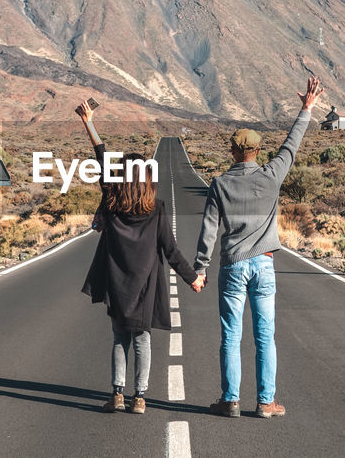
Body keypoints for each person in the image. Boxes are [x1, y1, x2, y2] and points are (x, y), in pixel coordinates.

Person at [194, 76, 324, 418]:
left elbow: (209, 228)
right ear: (257, 151)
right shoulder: (271, 175)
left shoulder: (219, 184)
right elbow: (292, 145)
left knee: (231, 336)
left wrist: (200, 267)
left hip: (232, 266)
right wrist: (306, 109)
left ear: (234, 151)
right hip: (264, 265)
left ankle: (231, 399)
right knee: (266, 336)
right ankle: (266, 402)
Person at [77, 99, 201, 414]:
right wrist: (193, 278)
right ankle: (139, 398)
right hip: (145, 287)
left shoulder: (113, 204)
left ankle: (117, 394)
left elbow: (102, 159)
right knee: (142, 339)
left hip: (117, 285)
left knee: (120, 338)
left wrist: (89, 123)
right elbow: (171, 251)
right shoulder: (156, 209)